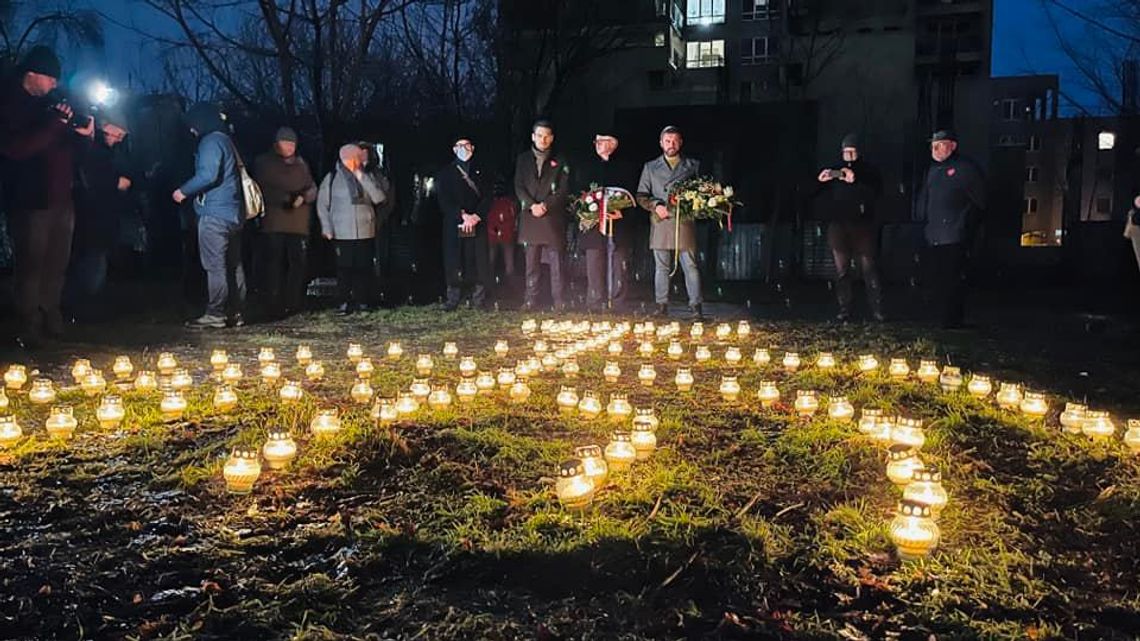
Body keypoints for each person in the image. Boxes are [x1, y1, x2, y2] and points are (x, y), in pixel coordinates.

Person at [0, 46, 95, 346]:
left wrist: (84, 136)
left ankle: (51, 315)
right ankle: (28, 323)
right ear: (33, 75)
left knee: (57, 261)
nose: (55, 84)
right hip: (30, 199)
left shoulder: (53, 105)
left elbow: (71, 151)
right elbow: (16, 149)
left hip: (61, 198)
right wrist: (54, 125)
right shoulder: (10, 103)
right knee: (31, 263)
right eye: (50, 78)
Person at [173, 102, 246, 329]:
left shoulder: (210, 142)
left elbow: (208, 175)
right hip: (234, 213)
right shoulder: (227, 140)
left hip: (214, 213)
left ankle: (215, 314)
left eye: (193, 125)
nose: (192, 130)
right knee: (234, 265)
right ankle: (236, 312)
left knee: (215, 265)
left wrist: (182, 191)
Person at [914, 129, 987, 329]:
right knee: (935, 277)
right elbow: (925, 199)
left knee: (952, 278)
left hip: (954, 234)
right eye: (933, 146)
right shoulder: (931, 170)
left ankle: (952, 319)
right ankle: (937, 316)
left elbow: (980, 200)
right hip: (933, 233)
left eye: (941, 144)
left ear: (952, 146)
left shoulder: (965, 169)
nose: (936, 149)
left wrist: (967, 225)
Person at [66, 111, 133, 322]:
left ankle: (85, 308)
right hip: (91, 216)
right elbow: (94, 179)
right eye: (119, 132)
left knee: (95, 261)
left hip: (102, 216)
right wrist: (116, 184)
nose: (120, 137)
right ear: (107, 127)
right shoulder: (91, 148)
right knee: (90, 263)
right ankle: (81, 310)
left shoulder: (110, 151)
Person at [814, 133, 885, 322]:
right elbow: (817, 192)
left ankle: (877, 309)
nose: (849, 156)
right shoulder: (836, 170)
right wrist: (821, 180)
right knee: (842, 271)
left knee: (869, 269)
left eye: (852, 152)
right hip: (839, 225)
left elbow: (877, 192)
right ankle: (844, 309)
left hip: (863, 225)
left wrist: (857, 180)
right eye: (846, 152)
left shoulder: (869, 171)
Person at [636, 125, 703, 319]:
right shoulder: (650, 167)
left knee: (690, 265)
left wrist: (692, 204)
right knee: (661, 267)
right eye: (667, 140)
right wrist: (655, 205)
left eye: (674, 140)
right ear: (661, 143)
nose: (671, 144)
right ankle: (661, 305)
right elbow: (641, 195)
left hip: (684, 220)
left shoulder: (692, 165)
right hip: (661, 220)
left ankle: (696, 306)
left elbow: (702, 192)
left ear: (680, 142)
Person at [253, 127, 317, 319]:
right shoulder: (264, 163)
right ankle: (273, 303)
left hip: (298, 224)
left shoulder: (302, 163)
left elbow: (312, 186)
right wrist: (290, 197)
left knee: (298, 265)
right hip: (275, 223)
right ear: (276, 143)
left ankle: (293, 302)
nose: (289, 147)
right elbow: (264, 188)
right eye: (285, 143)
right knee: (274, 265)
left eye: (292, 144)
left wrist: (304, 196)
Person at [317, 144, 387, 315]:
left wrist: (361, 176)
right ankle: (343, 302)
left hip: (365, 229)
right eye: (349, 158)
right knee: (344, 268)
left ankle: (363, 301)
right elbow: (322, 204)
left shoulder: (367, 175)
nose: (353, 161)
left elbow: (379, 198)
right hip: (342, 231)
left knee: (364, 267)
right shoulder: (332, 178)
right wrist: (326, 226)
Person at [576, 131, 639, 312]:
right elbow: (578, 196)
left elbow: (632, 196)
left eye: (603, 141)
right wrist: (589, 211)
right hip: (593, 226)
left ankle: (617, 303)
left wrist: (621, 212)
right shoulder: (585, 167)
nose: (598, 144)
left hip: (619, 226)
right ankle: (594, 303)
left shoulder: (626, 167)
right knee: (594, 264)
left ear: (613, 144)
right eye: (597, 141)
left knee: (619, 265)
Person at [514, 119, 571, 310]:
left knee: (557, 264)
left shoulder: (560, 160)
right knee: (531, 263)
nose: (543, 139)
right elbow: (518, 186)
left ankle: (559, 300)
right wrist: (531, 205)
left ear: (552, 138)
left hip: (551, 218)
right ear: (533, 137)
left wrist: (546, 205)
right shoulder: (522, 159)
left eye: (547, 136)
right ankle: (530, 299)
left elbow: (563, 189)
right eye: (539, 135)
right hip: (530, 217)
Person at [435, 135, 492, 310]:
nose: (463, 148)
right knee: (454, 260)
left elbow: (489, 196)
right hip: (455, 223)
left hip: (477, 222)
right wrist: (461, 215)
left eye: (466, 145)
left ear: (472, 148)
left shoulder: (483, 170)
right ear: (454, 149)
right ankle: (453, 298)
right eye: (459, 145)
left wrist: (476, 216)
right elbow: (443, 199)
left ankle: (478, 299)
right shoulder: (445, 173)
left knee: (478, 260)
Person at [486, 181, 517, 282]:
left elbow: (512, 219)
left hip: (505, 236)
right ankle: (490, 283)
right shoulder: (490, 202)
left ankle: (510, 285)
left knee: (509, 264)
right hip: (493, 237)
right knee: (490, 262)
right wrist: (492, 230)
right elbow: (488, 218)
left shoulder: (508, 203)